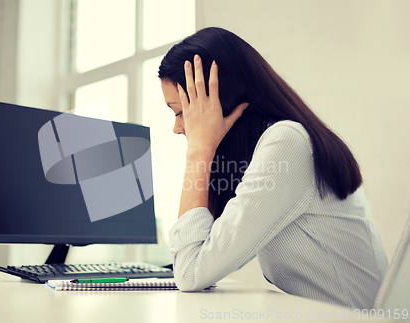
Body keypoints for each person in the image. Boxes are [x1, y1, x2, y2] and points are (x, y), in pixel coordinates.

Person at [157, 27, 388, 309]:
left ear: (220, 101)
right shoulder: (265, 149)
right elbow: (197, 261)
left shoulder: (288, 143)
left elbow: (191, 272)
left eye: (181, 112)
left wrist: (199, 150)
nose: (177, 127)